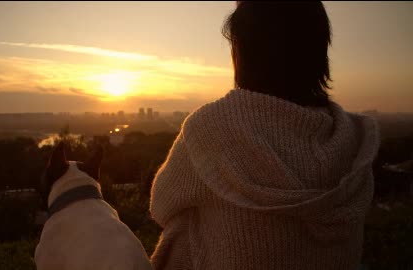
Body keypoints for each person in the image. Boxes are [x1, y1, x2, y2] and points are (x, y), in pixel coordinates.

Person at [149, 2, 379, 270]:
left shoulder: (211, 128)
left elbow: (162, 206)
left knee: (186, 224)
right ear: (320, 51)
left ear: (242, 52)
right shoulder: (352, 140)